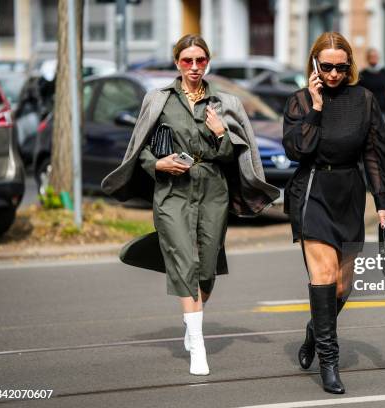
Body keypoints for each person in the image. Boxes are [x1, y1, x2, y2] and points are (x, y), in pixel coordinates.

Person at [102, 34, 279, 376]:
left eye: (201, 60)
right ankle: (198, 344)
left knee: (207, 270)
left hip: (213, 190)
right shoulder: (158, 99)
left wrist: (221, 134)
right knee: (184, 262)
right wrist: (158, 165)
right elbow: (141, 150)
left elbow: (235, 155)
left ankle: (190, 323)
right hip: (172, 192)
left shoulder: (225, 103)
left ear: (207, 62)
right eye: (187, 60)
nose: (195, 67)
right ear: (177, 63)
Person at [282, 32, 385, 394]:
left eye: (340, 67)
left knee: (344, 285)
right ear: (315, 65)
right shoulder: (300, 101)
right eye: (326, 67)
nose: (333, 74)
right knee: (324, 275)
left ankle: (315, 329)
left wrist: (383, 205)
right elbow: (297, 150)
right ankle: (329, 363)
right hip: (312, 191)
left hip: (349, 194)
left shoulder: (364, 100)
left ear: (350, 66)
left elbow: (374, 155)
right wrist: (316, 106)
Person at [358, 48, 385, 123]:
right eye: (371, 56)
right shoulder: (363, 74)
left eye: (375, 56)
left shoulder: (384, 72)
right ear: (367, 58)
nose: (374, 58)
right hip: (368, 109)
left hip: (382, 109)